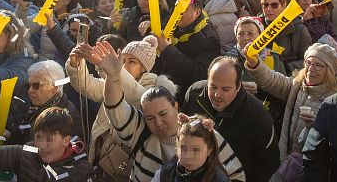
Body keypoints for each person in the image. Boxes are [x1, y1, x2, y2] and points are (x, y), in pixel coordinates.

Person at [96, 41, 245, 182]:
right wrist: (113, 76)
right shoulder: (140, 130)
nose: (158, 123)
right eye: (149, 118)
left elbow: (237, 176)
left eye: (163, 114)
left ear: (175, 107)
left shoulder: (202, 132)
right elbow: (114, 107)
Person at [65, 35, 174, 179]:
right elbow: (87, 86)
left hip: (125, 166)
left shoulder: (153, 90)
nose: (124, 65)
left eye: (132, 61)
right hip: (102, 153)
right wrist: (76, 65)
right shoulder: (114, 80)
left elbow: (136, 94)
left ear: (144, 69)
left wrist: (114, 72)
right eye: (123, 60)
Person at [242, 43, 337, 180]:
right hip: (286, 161)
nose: (310, 69)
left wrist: (316, 126)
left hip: (312, 169)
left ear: (331, 71)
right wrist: (255, 64)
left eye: (318, 65)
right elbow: (272, 80)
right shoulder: (297, 87)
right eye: (308, 63)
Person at [183, 57, 280, 182]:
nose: (217, 95)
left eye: (225, 89)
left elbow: (268, 164)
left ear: (238, 86)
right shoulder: (193, 95)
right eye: (212, 87)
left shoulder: (257, 116)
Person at [0, 106, 97, 182]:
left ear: (66, 140)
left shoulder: (82, 171)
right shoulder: (26, 152)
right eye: (38, 137)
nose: (41, 144)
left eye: (49, 139)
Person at [151, 0, 222, 94]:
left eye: (183, 9)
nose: (177, 12)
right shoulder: (171, 26)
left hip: (185, 94)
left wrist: (167, 50)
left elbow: (200, 74)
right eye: (176, 8)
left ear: (196, 13)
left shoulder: (209, 40)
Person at [9, 60, 82, 144]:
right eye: (28, 85)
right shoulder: (32, 105)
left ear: (54, 87)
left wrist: (25, 150)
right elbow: (26, 130)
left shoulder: (66, 116)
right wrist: (10, 134)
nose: (30, 90)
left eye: (36, 85)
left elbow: (45, 151)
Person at [151, 114, 232, 182]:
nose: (188, 156)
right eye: (183, 148)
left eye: (196, 150)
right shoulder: (166, 172)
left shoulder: (218, 178)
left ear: (209, 150)